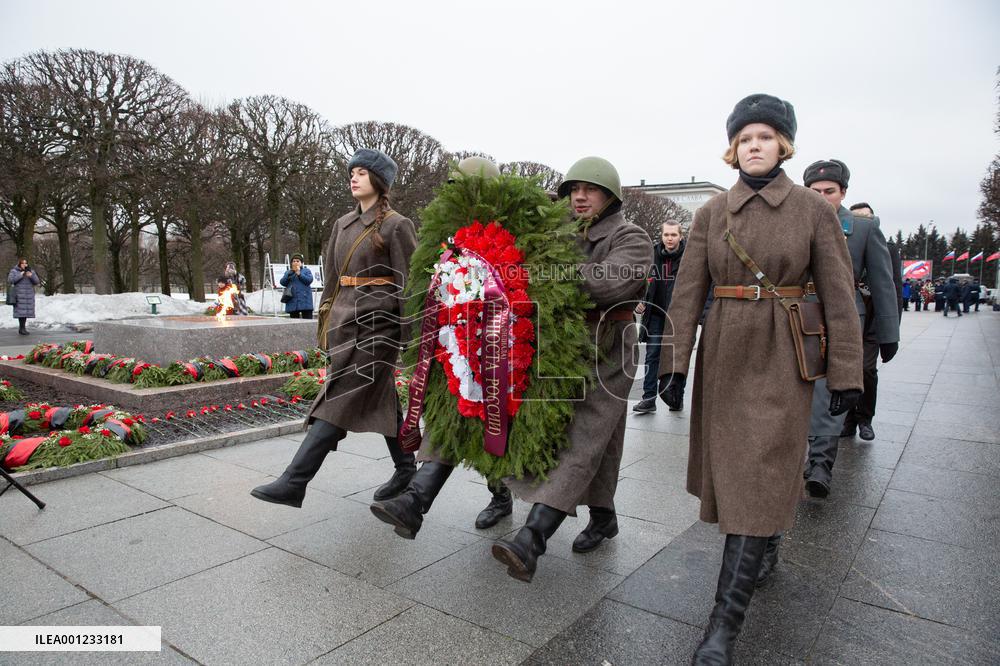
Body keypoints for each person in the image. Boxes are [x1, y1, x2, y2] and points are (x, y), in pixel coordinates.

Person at [369, 157, 652, 582]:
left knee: (587, 438)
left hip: (606, 349)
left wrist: (529, 271)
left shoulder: (633, 238)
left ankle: (533, 539)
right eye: (573, 189)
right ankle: (419, 499)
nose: (579, 196)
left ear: (610, 196)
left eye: (590, 189)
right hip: (551, 343)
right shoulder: (555, 232)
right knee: (501, 412)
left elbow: (608, 284)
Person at [659, 94, 862, 665]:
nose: (754, 146)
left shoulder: (813, 210)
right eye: (745, 138)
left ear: (784, 146)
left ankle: (722, 629)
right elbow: (687, 293)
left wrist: (846, 371)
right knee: (746, 478)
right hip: (725, 352)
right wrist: (675, 365)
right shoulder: (711, 213)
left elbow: (840, 297)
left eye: (765, 137)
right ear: (733, 148)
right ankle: (766, 540)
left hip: (784, 353)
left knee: (761, 471)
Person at [251, 148, 418, 507]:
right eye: (352, 172)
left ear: (380, 181)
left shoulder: (396, 225)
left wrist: (412, 339)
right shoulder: (341, 224)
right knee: (382, 396)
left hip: (380, 326)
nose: (354, 178)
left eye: (362, 172)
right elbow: (331, 284)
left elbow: (410, 284)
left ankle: (295, 480)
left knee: (338, 397)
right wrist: (325, 322)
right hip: (345, 324)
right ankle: (406, 467)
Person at [802, 160, 898, 460]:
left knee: (830, 387)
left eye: (828, 191)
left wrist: (888, 333)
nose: (821, 197)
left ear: (843, 192)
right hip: (800, 314)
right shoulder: (793, 225)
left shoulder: (864, 229)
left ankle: (821, 462)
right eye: (814, 191)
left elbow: (884, 284)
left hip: (843, 317)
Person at [633, 219, 686, 414]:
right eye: (666, 235)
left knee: (677, 357)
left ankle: (676, 397)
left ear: (680, 236)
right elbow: (640, 277)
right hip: (655, 313)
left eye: (673, 235)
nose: (669, 238)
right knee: (652, 355)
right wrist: (639, 299)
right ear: (661, 236)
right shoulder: (652, 254)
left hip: (680, 314)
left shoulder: (689, 256)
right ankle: (649, 399)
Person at [7, 258, 40, 335]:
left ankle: (23, 328)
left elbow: (37, 282)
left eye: (26, 263)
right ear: (19, 264)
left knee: (25, 312)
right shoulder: (14, 271)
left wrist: (31, 276)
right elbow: (10, 280)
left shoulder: (31, 271)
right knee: (21, 312)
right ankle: (21, 328)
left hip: (28, 294)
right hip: (19, 295)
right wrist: (20, 275)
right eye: (23, 263)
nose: (24, 265)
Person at [280, 254, 315, 319]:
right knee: (294, 322)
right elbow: (282, 282)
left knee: (308, 321)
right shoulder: (288, 272)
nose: (295, 262)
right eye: (294, 261)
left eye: (298, 261)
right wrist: (288, 275)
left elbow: (309, 280)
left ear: (301, 263)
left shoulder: (306, 271)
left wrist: (299, 274)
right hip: (292, 300)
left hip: (305, 300)